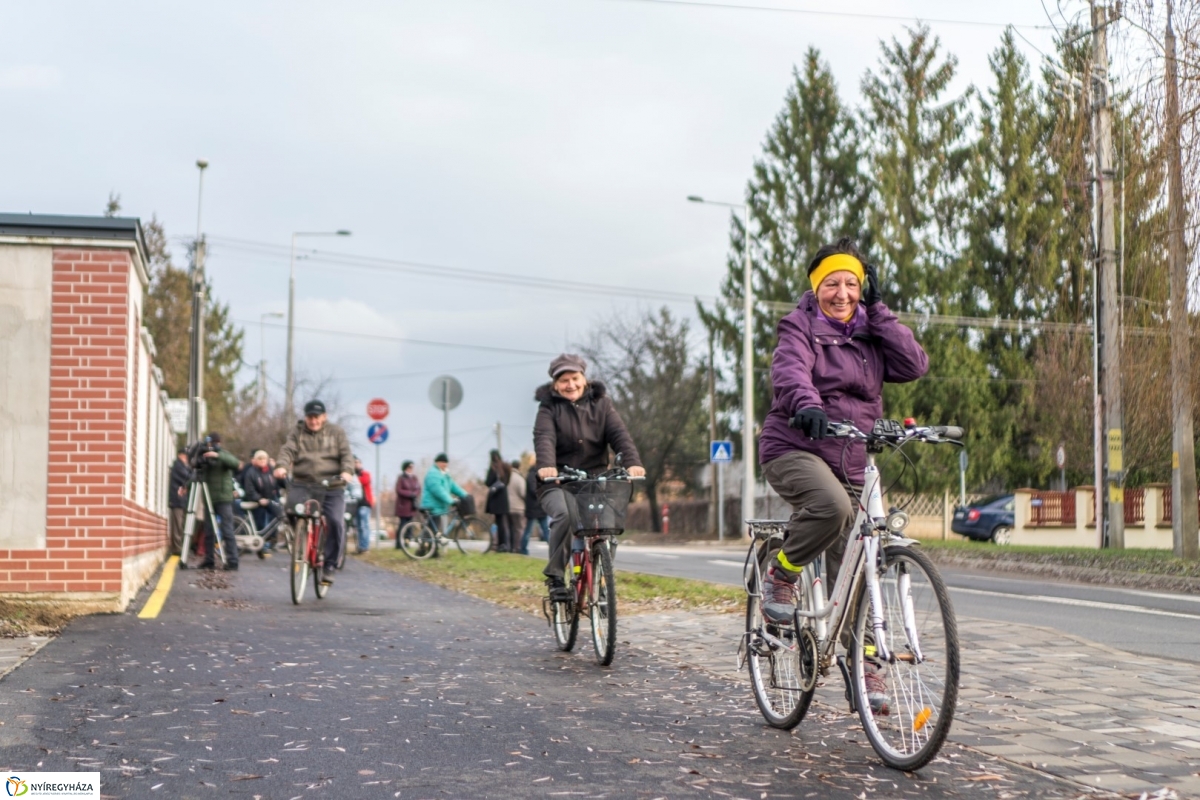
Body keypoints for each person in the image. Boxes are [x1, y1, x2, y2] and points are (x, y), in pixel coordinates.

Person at [758, 237, 928, 713]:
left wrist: (880, 309)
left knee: (857, 572)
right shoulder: (799, 326)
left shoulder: (871, 329)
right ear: (817, 287)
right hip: (795, 446)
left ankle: (863, 666)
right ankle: (782, 573)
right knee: (831, 509)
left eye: (852, 283)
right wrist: (807, 406)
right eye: (832, 283)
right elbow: (791, 372)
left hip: (853, 454)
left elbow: (913, 365)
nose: (842, 292)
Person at [534, 353, 645, 599]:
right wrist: (546, 465)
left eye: (574, 378)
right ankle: (555, 579)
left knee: (606, 526)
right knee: (564, 515)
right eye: (564, 380)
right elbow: (544, 438)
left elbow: (619, 435)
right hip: (558, 482)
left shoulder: (602, 405)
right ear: (555, 384)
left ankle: (602, 582)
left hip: (594, 481)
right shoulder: (548, 408)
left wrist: (632, 463)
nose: (570, 385)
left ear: (584, 379)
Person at [274, 400, 355, 585]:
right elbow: (288, 450)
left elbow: (346, 455)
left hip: (332, 485)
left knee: (335, 521)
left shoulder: (336, 432)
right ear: (305, 417)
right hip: (304, 484)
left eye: (317, 417)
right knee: (291, 510)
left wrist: (347, 472)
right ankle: (300, 540)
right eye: (310, 417)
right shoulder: (298, 432)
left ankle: (329, 564)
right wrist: (281, 466)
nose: (313, 420)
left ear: (324, 417)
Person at [199, 433, 242, 571]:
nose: (211, 446)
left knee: (227, 530)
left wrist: (217, 455)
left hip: (224, 499)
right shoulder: (204, 457)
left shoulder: (224, 455)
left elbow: (235, 463)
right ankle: (209, 559)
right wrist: (185, 486)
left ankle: (233, 561)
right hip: (209, 498)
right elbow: (197, 474)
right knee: (208, 531)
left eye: (213, 443)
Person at [242, 449, 282, 558]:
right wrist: (259, 499)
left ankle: (270, 541)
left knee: (278, 515)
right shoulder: (251, 472)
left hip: (270, 499)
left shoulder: (271, 470)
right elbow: (249, 489)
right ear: (255, 460)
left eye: (264, 458)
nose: (262, 460)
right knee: (262, 523)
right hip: (258, 501)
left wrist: (283, 477)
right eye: (260, 458)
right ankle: (262, 547)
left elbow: (279, 482)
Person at [420, 453, 468, 535]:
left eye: (446, 463)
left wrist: (465, 495)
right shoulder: (433, 474)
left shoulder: (445, 474)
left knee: (434, 530)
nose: (445, 465)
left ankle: (428, 545)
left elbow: (453, 486)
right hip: (432, 505)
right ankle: (424, 545)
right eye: (443, 462)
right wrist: (451, 501)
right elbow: (438, 490)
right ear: (437, 463)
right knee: (432, 529)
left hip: (438, 505)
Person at [484, 450, 512, 552]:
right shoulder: (506, 467)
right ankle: (504, 544)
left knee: (498, 522)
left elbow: (488, 482)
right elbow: (507, 481)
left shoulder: (493, 468)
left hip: (495, 499)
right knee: (502, 523)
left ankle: (500, 544)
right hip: (503, 498)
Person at [521, 460, 549, 554]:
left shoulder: (531, 474)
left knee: (535, 530)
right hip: (536, 507)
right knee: (542, 530)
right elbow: (534, 490)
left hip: (535, 507)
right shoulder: (533, 475)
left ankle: (523, 548)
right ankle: (523, 549)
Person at [168, 448, 192, 556]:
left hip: (180, 499)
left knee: (179, 524)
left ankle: (178, 547)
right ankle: (177, 548)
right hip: (177, 500)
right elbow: (188, 478)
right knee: (177, 525)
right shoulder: (178, 466)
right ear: (181, 455)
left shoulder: (180, 466)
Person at [393, 460, 421, 549]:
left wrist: (415, 494)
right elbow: (399, 490)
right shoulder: (401, 478)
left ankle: (407, 541)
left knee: (410, 525)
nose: (411, 469)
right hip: (403, 505)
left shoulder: (414, 478)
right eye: (409, 467)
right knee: (403, 524)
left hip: (412, 505)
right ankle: (399, 543)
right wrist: (410, 494)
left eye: (412, 467)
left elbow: (418, 488)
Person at [353, 456, 375, 553]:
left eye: (358, 462)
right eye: (355, 462)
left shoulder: (365, 474)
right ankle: (360, 546)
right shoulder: (352, 475)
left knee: (364, 525)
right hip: (355, 504)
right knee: (358, 526)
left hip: (365, 503)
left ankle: (365, 547)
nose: (356, 464)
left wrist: (353, 479)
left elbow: (364, 481)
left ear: (361, 464)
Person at [506, 460, 527, 554]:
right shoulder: (519, 479)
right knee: (519, 529)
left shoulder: (507, 477)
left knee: (510, 528)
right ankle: (517, 547)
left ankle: (510, 547)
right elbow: (523, 493)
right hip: (518, 507)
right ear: (519, 467)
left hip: (508, 507)